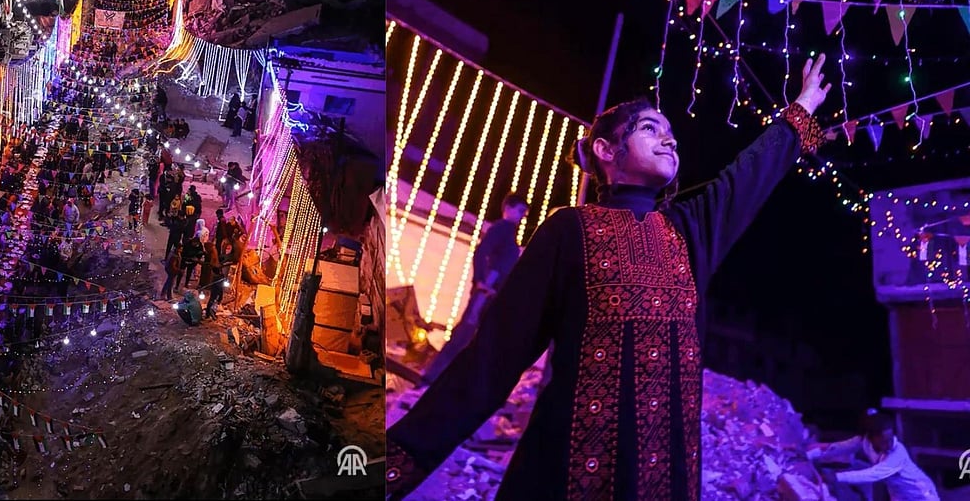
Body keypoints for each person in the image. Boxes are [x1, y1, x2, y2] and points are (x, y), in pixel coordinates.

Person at [386, 55, 832, 501]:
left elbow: (747, 177)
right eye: (650, 129)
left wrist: (801, 111)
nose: (670, 140)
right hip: (565, 475)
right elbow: (492, 360)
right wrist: (394, 462)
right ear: (605, 150)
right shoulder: (567, 230)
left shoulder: (688, 231)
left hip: (665, 483)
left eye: (671, 134)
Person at [421, 192, 529, 385]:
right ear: (509, 208)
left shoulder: (508, 232)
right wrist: (481, 280)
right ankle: (434, 376)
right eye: (521, 210)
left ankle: (449, 377)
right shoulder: (502, 228)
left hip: (492, 291)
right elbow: (482, 252)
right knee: (465, 332)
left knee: (474, 335)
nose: (523, 216)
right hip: (487, 290)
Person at [808, 409, 939, 501]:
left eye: (890, 438)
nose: (888, 443)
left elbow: (872, 474)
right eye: (883, 440)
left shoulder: (898, 453)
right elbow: (839, 447)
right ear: (871, 437)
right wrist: (810, 455)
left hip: (921, 495)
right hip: (898, 495)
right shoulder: (863, 441)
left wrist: (836, 477)